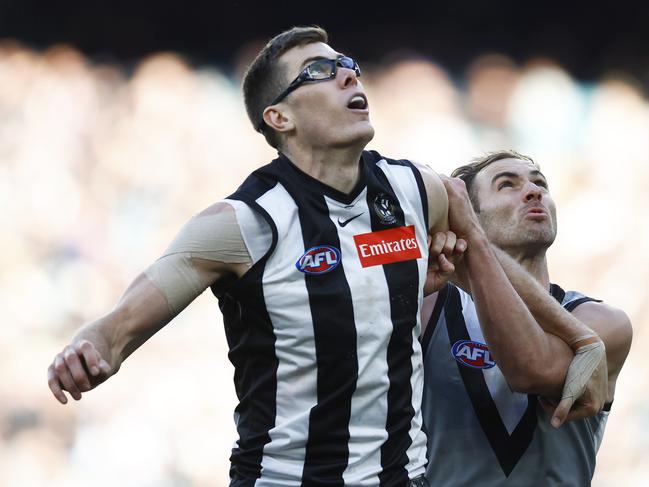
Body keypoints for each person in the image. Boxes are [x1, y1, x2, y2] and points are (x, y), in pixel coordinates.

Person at [46, 26, 606, 486]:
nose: (347, 73)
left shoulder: (417, 190)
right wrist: (92, 347)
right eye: (318, 71)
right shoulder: (245, 222)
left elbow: (484, 257)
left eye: (347, 62)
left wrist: (577, 336)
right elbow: (122, 321)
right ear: (279, 118)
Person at [420, 150, 633, 486]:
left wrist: (472, 242)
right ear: (468, 213)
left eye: (540, 184)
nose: (535, 192)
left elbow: (531, 368)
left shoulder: (604, 321)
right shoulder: (428, 306)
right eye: (507, 185)